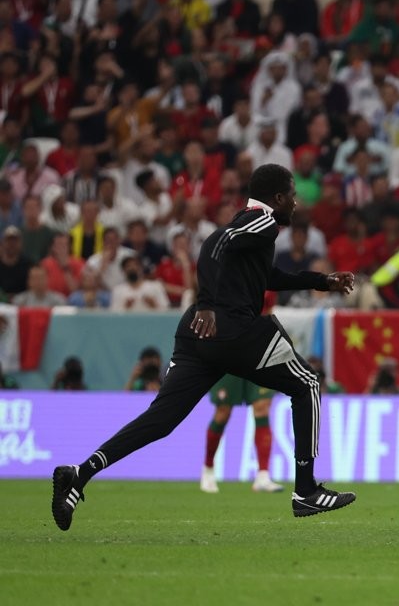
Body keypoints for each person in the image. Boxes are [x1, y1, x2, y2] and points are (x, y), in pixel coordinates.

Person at [51, 164, 358, 532]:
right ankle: (306, 490)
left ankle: (79, 475)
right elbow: (215, 244)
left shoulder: (254, 228)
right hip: (229, 327)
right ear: (277, 198)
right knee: (307, 384)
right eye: (291, 195)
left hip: (196, 332)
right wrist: (211, 302)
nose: (295, 202)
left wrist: (322, 281)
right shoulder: (263, 221)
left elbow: (267, 277)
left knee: (160, 420)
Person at [200, 375, 285, 494]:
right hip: (228, 361)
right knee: (223, 412)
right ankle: (208, 468)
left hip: (258, 359)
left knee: (262, 406)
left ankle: (263, 475)